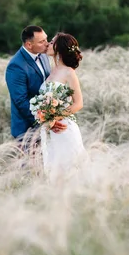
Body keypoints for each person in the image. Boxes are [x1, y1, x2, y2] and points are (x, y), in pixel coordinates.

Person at [5, 26, 67, 151]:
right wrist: (46, 121)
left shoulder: (43, 55)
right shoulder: (16, 66)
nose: (47, 44)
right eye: (41, 41)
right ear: (29, 44)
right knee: (30, 168)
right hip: (27, 128)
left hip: (47, 124)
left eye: (46, 39)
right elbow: (20, 101)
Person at [39, 32, 86, 178]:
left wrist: (54, 117)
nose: (48, 44)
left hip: (64, 127)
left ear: (59, 48)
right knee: (54, 170)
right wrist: (45, 117)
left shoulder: (69, 73)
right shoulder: (52, 71)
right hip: (50, 129)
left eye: (52, 42)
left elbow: (78, 104)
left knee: (70, 170)